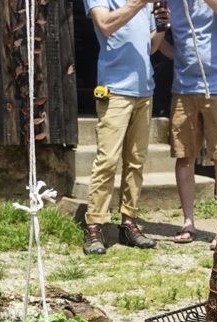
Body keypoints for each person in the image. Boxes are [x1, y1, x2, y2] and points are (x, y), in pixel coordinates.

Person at [82, 0, 169, 255]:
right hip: (114, 90)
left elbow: (151, 47)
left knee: (136, 161)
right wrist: (139, 3)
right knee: (107, 160)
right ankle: (94, 226)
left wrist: (162, 27)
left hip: (144, 90)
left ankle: (129, 223)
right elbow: (105, 25)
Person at [159, 0, 217, 244]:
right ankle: (188, 223)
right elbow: (164, 41)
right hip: (184, 87)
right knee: (184, 157)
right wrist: (165, 43)